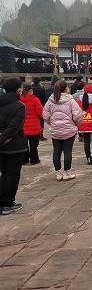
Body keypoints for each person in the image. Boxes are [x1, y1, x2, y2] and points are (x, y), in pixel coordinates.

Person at [43, 80, 83, 181]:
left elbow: (45, 114)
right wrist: (76, 125)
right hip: (69, 130)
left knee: (56, 151)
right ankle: (67, 173)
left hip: (55, 130)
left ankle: (58, 173)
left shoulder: (51, 100)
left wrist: (52, 124)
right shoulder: (70, 100)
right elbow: (78, 115)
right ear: (66, 88)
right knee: (67, 151)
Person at [0, 78, 27, 215]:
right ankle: (7, 203)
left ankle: (3, 201)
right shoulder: (19, 106)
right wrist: (3, 139)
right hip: (14, 145)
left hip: (2, 146)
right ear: (18, 89)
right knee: (12, 175)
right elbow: (13, 127)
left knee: (4, 174)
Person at [20, 83, 43, 165]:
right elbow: (40, 112)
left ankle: (24, 160)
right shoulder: (35, 99)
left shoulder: (19, 99)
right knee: (33, 144)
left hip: (22, 125)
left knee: (24, 144)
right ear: (30, 90)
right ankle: (34, 159)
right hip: (34, 125)